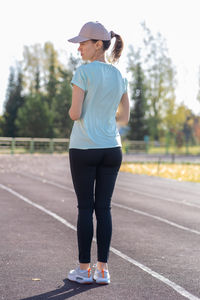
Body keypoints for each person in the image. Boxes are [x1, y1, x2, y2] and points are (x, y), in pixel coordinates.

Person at [67, 21, 130, 285]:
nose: (79, 47)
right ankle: (102, 271)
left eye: (83, 43)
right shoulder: (120, 76)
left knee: (85, 208)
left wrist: (83, 114)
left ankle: (83, 270)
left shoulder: (83, 73)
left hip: (84, 148)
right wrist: (104, 120)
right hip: (112, 149)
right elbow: (124, 118)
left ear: (98, 45)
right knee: (103, 208)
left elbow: (75, 113)